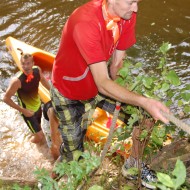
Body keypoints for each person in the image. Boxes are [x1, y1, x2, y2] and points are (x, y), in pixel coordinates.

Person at [50, 0, 170, 188]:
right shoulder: (85, 22)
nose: (136, 8)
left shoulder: (127, 14)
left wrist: (132, 98)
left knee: (144, 115)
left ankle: (133, 166)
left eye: (137, 2)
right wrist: (143, 100)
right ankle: (49, 182)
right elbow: (103, 83)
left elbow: (116, 64)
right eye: (131, 2)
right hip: (69, 94)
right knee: (73, 156)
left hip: (99, 85)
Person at [3, 49, 50, 144]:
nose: (26, 66)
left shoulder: (37, 70)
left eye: (28, 63)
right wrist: (23, 111)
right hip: (27, 111)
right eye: (23, 64)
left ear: (33, 63)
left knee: (39, 128)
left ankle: (34, 137)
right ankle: (29, 144)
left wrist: (52, 91)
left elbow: (43, 80)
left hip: (37, 106)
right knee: (40, 136)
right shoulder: (17, 81)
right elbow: (6, 99)